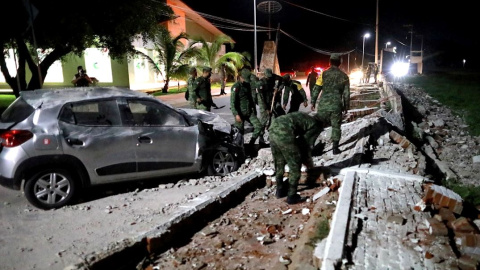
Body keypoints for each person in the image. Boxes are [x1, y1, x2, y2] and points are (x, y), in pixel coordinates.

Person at [269, 111, 323, 204]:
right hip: (284, 132)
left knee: (279, 162)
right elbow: (305, 145)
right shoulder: (315, 126)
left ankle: (280, 190)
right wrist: (308, 163)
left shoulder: (304, 117)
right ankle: (292, 196)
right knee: (295, 165)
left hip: (273, 129)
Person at [310, 53, 350, 155]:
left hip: (323, 105)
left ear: (330, 62)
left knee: (318, 125)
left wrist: (313, 101)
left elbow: (317, 88)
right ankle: (335, 149)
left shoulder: (323, 74)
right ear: (340, 63)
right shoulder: (344, 76)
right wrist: (346, 106)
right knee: (336, 126)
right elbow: (346, 93)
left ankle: (310, 146)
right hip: (336, 105)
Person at [230, 68, 264, 146]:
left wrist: (253, 109)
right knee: (239, 133)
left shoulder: (247, 85)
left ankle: (251, 144)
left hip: (249, 112)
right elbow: (232, 103)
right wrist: (236, 114)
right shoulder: (236, 87)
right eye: (245, 79)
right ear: (240, 77)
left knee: (259, 127)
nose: (246, 80)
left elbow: (250, 99)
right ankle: (239, 148)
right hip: (240, 114)